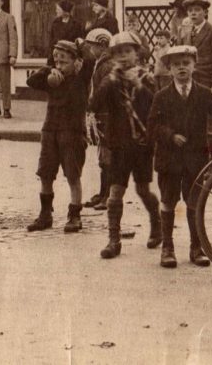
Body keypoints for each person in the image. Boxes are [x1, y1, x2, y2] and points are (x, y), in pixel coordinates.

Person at [147, 44, 212, 267]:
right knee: (168, 201)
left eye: (186, 63)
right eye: (176, 65)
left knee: (193, 201)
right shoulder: (161, 96)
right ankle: (167, 248)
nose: (181, 68)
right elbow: (152, 125)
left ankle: (196, 247)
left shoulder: (203, 93)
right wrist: (170, 135)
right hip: (169, 160)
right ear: (169, 69)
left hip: (195, 159)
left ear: (194, 66)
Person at [87, 31, 161, 259]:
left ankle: (156, 223)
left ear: (137, 53)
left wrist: (139, 87)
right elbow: (94, 103)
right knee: (114, 194)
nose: (124, 56)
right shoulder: (111, 79)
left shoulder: (147, 77)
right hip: (118, 144)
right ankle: (113, 240)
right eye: (118, 52)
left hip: (141, 145)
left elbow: (157, 106)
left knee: (142, 190)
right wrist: (109, 83)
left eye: (128, 51)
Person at [25, 40, 91, 234]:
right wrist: (46, 71)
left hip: (72, 131)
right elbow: (31, 82)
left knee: (73, 174)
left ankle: (75, 215)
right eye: (57, 61)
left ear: (76, 63)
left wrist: (80, 59)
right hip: (50, 129)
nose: (60, 66)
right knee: (45, 173)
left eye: (64, 62)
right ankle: (45, 215)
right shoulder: (51, 76)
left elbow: (90, 63)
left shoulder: (80, 79)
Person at [80, 28, 114, 210]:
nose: (90, 49)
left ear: (102, 45)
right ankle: (103, 192)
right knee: (102, 155)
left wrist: (92, 104)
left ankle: (108, 195)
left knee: (107, 156)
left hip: (107, 115)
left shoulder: (107, 65)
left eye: (93, 46)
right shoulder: (101, 62)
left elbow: (104, 89)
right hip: (103, 114)